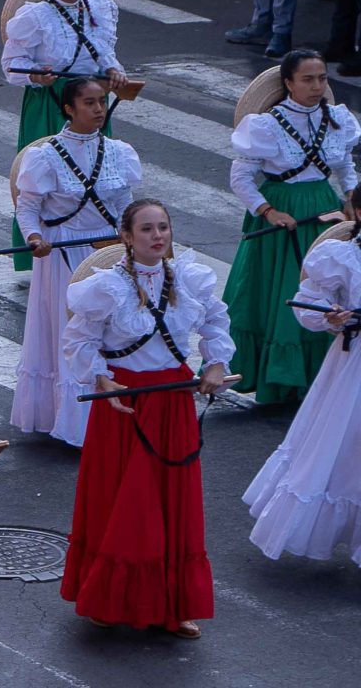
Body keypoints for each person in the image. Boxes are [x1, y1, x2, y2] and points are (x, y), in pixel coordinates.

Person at [62, 199, 233, 637]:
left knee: (173, 502)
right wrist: (101, 381)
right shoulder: (106, 288)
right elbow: (79, 339)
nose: (158, 236)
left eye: (163, 228)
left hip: (173, 400)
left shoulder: (190, 279)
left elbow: (216, 323)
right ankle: (110, 598)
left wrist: (214, 364)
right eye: (147, 229)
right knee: (127, 503)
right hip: (125, 404)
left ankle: (173, 605)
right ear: (126, 236)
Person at [4, 74, 133, 446]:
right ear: (68, 108)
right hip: (63, 254)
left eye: (101, 102)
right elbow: (27, 208)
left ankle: (111, 414)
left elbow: (124, 203)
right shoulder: (44, 156)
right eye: (89, 103)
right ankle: (74, 420)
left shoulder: (119, 152)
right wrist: (34, 237)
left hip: (107, 252)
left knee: (114, 330)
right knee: (74, 333)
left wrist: (128, 236)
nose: (98, 110)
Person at [225, 49, 354, 402]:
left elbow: (344, 166)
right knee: (282, 291)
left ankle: (317, 376)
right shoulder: (266, 125)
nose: (317, 86)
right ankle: (279, 380)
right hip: (284, 215)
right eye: (308, 79)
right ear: (288, 83)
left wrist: (351, 198)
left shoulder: (338, 120)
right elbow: (241, 176)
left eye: (322, 78)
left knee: (327, 288)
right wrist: (268, 211)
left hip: (323, 213)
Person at [244, 193, 361, 562]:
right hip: (354, 368)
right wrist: (331, 316)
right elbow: (308, 305)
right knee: (343, 448)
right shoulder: (341, 257)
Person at [3, 0, 125, 149]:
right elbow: (10, 63)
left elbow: (104, 54)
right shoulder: (35, 17)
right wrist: (36, 75)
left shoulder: (99, 9)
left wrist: (113, 71)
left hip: (91, 98)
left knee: (94, 165)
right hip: (52, 101)